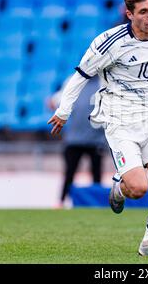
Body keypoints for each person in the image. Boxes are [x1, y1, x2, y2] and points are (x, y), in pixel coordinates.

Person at [48, 0, 148, 256]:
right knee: (138, 189)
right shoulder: (109, 42)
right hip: (121, 123)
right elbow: (80, 76)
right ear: (129, 14)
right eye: (143, 12)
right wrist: (63, 111)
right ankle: (120, 185)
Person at [48, 77, 107, 209]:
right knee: (69, 172)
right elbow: (54, 101)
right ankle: (61, 201)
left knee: (96, 173)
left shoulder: (104, 81)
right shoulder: (73, 80)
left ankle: (97, 203)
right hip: (74, 139)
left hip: (96, 139)